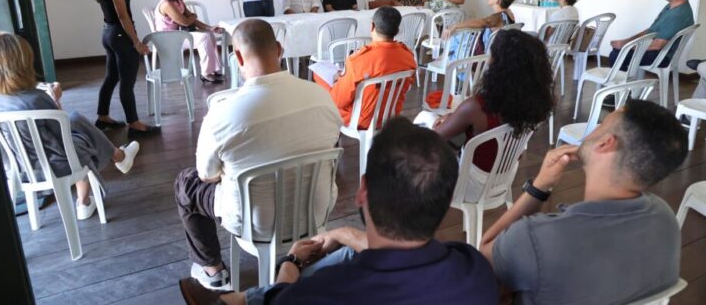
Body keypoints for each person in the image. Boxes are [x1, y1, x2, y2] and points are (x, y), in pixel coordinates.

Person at [178, 118, 500, 305]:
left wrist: (290, 264)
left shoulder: (324, 292)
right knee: (347, 252)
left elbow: (288, 297)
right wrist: (344, 234)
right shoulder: (474, 269)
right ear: (446, 200)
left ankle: (233, 300)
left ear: (363, 190)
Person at [174, 19, 342, 291]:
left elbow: (206, 175)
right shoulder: (322, 97)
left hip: (254, 225)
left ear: (238, 57)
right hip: (315, 211)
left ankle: (212, 270)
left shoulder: (222, 114)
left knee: (186, 183)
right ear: (279, 49)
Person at [479, 99, 688, 304]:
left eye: (601, 125)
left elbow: (484, 257)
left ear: (605, 143)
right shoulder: (665, 218)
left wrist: (539, 186)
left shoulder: (538, 238)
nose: (594, 129)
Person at [0, 33, 139, 220]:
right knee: (78, 131)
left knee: (76, 122)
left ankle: (118, 157)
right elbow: (62, 133)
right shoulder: (37, 100)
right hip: (55, 164)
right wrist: (55, 100)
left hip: (18, 166)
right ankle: (86, 197)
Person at [431, 30, 554, 199]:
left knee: (424, 132)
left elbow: (433, 137)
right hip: (504, 178)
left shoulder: (476, 106)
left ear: (497, 63)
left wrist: (442, 121)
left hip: (470, 185)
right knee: (458, 136)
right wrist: (456, 116)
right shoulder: (535, 103)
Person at [85, 0, 159, 136]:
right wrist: (136, 42)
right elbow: (122, 14)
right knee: (127, 82)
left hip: (108, 33)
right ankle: (134, 124)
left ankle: (103, 117)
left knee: (111, 77)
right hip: (120, 35)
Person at [314, 7, 416, 129]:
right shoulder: (408, 56)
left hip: (361, 120)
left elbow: (338, 101)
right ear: (397, 30)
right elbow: (405, 88)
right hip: (392, 115)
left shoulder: (358, 61)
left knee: (318, 75)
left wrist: (339, 80)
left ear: (372, 26)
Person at [608, 0, 695, 70]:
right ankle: (624, 77)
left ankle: (622, 79)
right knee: (618, 50)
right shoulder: (671, 6)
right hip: (657, 50)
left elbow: (657, 45)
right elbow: (651, 30)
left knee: (617, 54)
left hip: (662, 56)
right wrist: (626, 41)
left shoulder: (677, 15)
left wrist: (626, 46)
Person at [155, 0, 224, 83]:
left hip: (179, 35)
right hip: (169, 39)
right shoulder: (166, 4)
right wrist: (192, 16)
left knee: (209, 34)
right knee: (204, 37)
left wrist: (210, 28)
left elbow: (192, 19)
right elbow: (185, 21)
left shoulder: (178, 2)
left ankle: (213, 69)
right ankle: (206, 74)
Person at [442, 0, 516, 40]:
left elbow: (480, 22)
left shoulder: (498, 17)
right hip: (497, 49)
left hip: (485, 53)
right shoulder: (509, 14)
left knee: (454, 39)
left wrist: (455, 26)